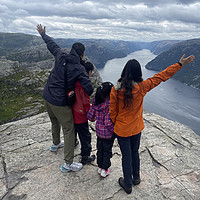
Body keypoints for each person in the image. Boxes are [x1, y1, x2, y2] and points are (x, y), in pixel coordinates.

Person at [109, 54, 195, 194]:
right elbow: (162, 76)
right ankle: (136, 178)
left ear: (124, 72)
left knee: (126, 155)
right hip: (136, 128)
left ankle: (128, 184)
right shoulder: (143, 87)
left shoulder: (116, 89)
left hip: (122, 129)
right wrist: (179, 65)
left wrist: (116, 124)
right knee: (135, 152)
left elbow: (112, 111)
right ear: (139, 73)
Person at [36, 24, 93, 172]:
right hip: (59, 101)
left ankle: (55, 144)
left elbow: (51, 44)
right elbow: (89, 88)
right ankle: (68, 163)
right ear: (82, 54)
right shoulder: (79, 68)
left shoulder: (61, 55)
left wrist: (43, 34)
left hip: (47, 96)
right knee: (69, 130)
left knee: (54, 121)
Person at [87, 82, 115, 178]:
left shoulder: (96, 102)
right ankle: (105, 169)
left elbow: (90, 117)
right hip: (108, 133)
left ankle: (100, 167)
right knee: (107, 151)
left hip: (99, 131)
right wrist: (114, 130)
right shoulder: (109, 103)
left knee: (100, 149)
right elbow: (107, 122)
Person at [72, 61, 96, 165]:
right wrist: (91, 116)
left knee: (74, 131)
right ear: (89, 72)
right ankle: (85, 157)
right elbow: (85, 103)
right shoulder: (84, 84)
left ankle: (72, 143)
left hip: (72, 111)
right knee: (86, 136)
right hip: (80, 115)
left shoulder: (74, 80)